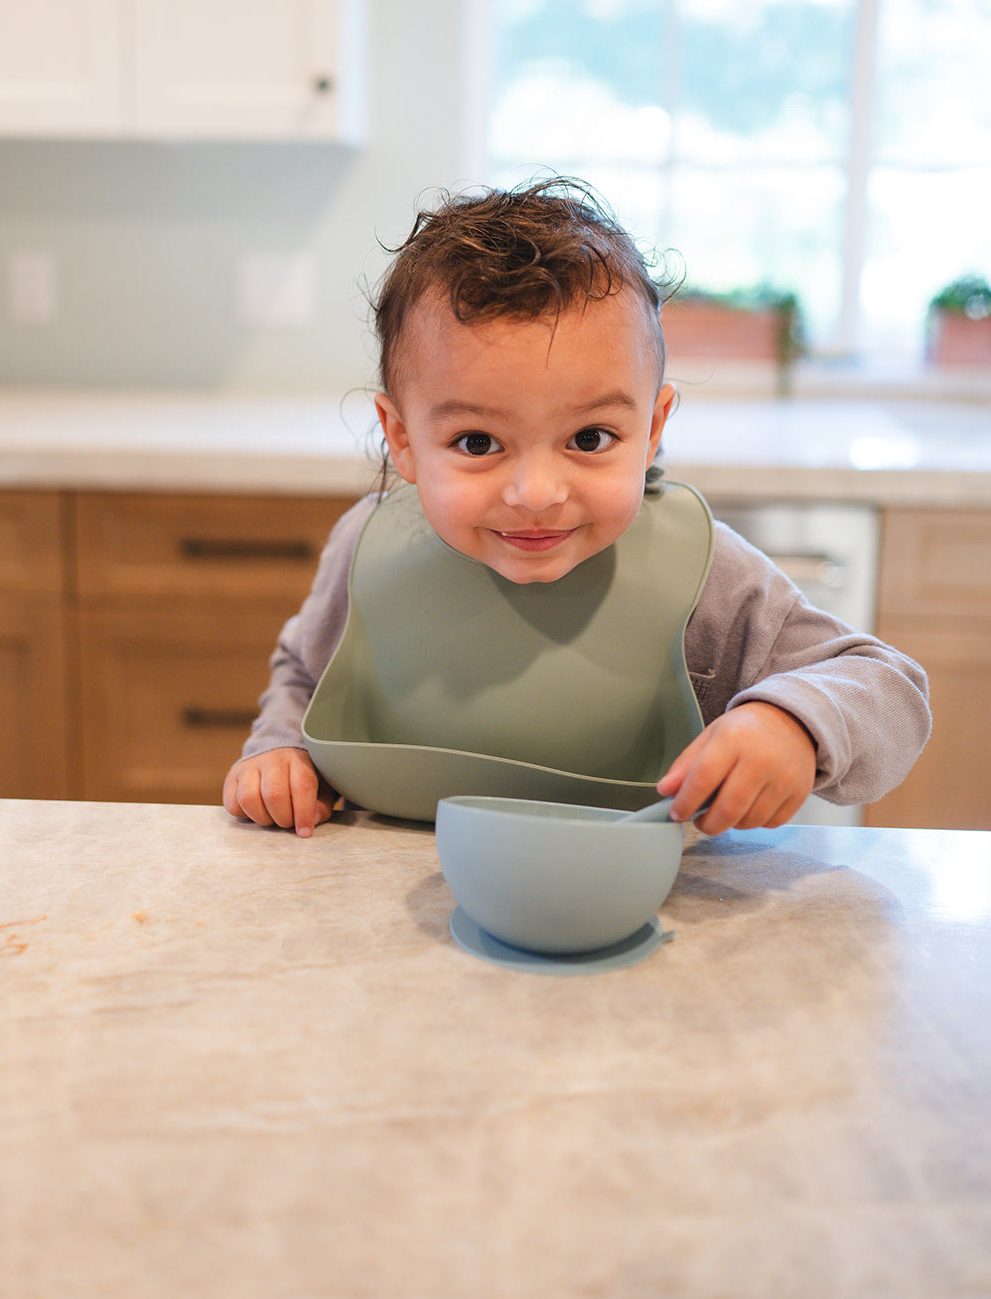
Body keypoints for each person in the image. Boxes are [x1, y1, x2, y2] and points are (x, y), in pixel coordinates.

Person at [224, 178, 930, 838]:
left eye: (589, 438)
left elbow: (889, 691)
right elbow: (305, 678)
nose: (536, 493)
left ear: (651, 430)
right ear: (402, 440)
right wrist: (281, 751)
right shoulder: (365, 547)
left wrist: (792, 724)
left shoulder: (701, 574)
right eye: (477, 441)